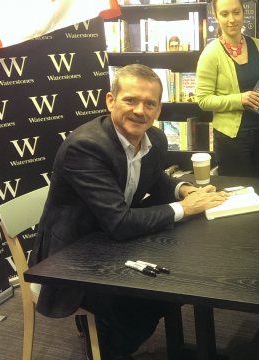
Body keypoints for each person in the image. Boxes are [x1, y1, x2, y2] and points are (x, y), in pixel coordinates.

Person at [30, 64, 228, 359]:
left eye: (150, 104)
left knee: (175, 282)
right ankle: (107, 349)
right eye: (130, 100)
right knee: (147, 300)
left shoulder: (155, 139)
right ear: (111, 101)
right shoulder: (85, 147)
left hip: (110, 241)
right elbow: (120, 222)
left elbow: (155, 177)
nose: (140, 111)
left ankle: (115, 333)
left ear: (159, 109)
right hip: (71, 255)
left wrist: (184, 190)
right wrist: (185, 209)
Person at [196, 0, 259, 179]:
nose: (232, 19)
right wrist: (240, 99)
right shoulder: (211, 54)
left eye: (236, 12)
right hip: (232, 140)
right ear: (216, 16)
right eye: (225, 14)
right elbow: (203, 100)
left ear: (243, 12)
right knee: (241, 199)